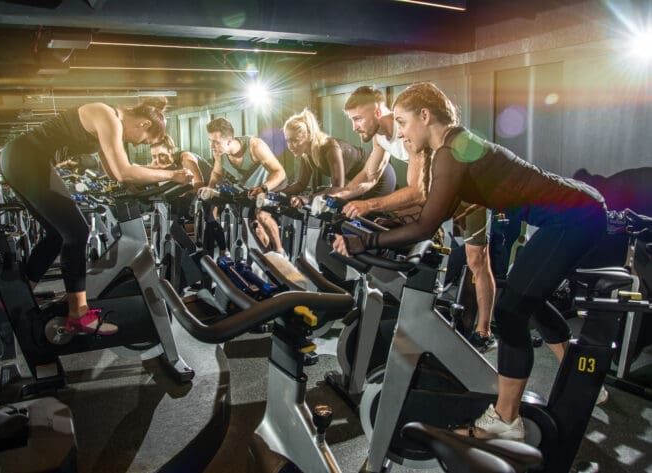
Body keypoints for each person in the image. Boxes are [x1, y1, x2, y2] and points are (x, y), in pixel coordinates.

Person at [333, 82, 606, 440]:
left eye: (402, 122)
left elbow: (427, 224)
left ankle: (506, 419)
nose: (399, 132)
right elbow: (435, 209)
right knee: (530, 298)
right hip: (577, 212)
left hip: (576, 218)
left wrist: (364, 242)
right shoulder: (451, 146)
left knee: (512, 310)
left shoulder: (453, 150)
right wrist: (380, 226)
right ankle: (584, 379)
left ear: (425, 116)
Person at [0, 97, 193, 336]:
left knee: (57, 235)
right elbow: (124, 172)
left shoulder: (109, 122)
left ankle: (17, 298)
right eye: (144, 140)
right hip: (26, 158)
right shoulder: (107, 117)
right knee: (77, 232)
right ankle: (78, 315)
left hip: (19, 159)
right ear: (144, 123)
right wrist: (172, 175)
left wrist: (151, 180)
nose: (137, 143)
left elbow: (114, 173)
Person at [338, 85, 496, 352]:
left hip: (468, 197)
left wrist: (370, 204)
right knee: (387, 224)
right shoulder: (381, 138)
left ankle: (485, 331)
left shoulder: (410, 133)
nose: (354, 127)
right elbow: (369, 176)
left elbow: (417, 191)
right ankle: (418, 307)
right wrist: (339, 196)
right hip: (438, 192)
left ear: (377, 111)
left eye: (358, 118)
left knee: (477, 260)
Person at [256, 108, 396, 255]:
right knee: (344, 213)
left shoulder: (329, 147)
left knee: (359, 217)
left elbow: (338, 188)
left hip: (380, 176)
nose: (290, 146)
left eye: (294, 140)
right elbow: (300, 184)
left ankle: (382, 253)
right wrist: (272, 194)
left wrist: (308, 198)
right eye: (288, 141)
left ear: (307, 136)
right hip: (356, 183)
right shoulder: (306, 155)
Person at [201, 117, 286, 256]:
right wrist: (210, 189)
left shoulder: (255, 146)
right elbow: (217, 174)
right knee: (249, 227)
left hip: (272, 186)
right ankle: (266, 259)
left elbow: (280, 172)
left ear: (229, 140)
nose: (212, 146)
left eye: (216, 142)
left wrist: (264, 188)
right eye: (210, 141)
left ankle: (280, 253)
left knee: (261, 215)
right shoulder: (219, 153)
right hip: (250, 191)